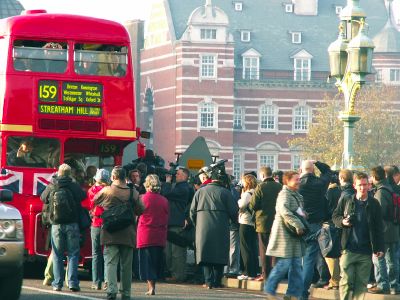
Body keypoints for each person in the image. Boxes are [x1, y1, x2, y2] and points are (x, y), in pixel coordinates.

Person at [332, 172, 385, 300]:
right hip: (348, 248)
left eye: (365, 185)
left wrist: (379, 247)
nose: (363, 188)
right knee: (346, 281)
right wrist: (342, 222)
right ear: (355, 186)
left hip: (366, 250)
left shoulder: (374, 203)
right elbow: (335, 216)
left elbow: (379, 227)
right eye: (360, 185)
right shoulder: (347, 199)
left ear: (369, 185)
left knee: (361, 284)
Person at [94, 166, 144, 300]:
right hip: (128, 232)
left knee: (110, 262)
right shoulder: (133, 192)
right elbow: (141, 210)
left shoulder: (107, 190)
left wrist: (107, 207)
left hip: (110, 231)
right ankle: (126, 293)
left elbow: (94, 201)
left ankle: (111, 290)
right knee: (126, 265)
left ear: (114, 177)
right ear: (124, 177)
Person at [40, 163, 86, 292]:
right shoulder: (73, 185)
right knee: (73, 254)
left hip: (56, 224)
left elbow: (43, 198)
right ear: (69, 173)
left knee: (57, 254)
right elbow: (83, 196)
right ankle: (72, 283)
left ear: (59, 172)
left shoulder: (53, 185)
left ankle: (57, 284)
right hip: (72, 224)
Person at [190, 167, 238, 289]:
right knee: (219, 254)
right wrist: (234, 224)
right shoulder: (226, 193)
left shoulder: (200, 192)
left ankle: (208, 281)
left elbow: (192, 212)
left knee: (205, 254)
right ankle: (217, 281)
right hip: (221, 227)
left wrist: (197, 225)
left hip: (202, 227)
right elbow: (234, 212)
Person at [264, 171, 306, 299]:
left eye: (299, 179)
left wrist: (303, 216)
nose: (299, 181)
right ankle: (270, 290)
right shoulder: (284, 194)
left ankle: (293, 294)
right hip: (285, 234)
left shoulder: (295, 195)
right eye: (296, 179)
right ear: (287, 181)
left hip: (293, 235)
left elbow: (295, 211)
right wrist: (298, 224)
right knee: (284, 264)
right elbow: (284, 211)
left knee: (296, 266)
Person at [298, 160, 332, 300]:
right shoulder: (319, 184)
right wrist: (317, 162)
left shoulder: (297, 185)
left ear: (301, 170)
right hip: (315, 224)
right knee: (308, 259)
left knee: (298, 259)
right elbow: (328, 171)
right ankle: (302, 291)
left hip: (298, 224)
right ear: (313, 170)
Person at [137, 174, 169, 296]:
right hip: (159, 234)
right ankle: (152, 286)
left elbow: (137, 214)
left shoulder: (142, 198)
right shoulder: (164, 200)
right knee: (156, 262)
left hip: (145, 234)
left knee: (147, 262)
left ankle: (150, 287)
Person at [369, 166, 399, 295]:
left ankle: (382, 285)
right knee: (392, 260)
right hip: (394, 229)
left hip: (384, 230)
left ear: (375, 177)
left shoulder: (380, 192)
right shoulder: (391, 188)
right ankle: (395, 285)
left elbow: (380, 213)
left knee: (378, 258)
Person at [249, 166, 282, 281]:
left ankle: (266, 275)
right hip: (277, 223)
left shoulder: (260, 187)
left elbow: (252, 205)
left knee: (264, 251)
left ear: (262, 175)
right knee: (276, 250)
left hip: (262, 223)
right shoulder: (280, 186)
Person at [162, 167, 194, 283]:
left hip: (177, 223)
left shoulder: (183, 188)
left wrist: (167, 182)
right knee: (169, 252)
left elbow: (166, 193)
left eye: (179, 174)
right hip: (172, 222)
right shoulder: (181, 187)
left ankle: (179, 275)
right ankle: (174, 273)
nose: (176, 176)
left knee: (177, 252)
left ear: (185, 176)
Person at [88, 168, 110, 290]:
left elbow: (90, 206)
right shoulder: (110, 191)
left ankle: (96, 282)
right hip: (107, 224)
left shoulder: (91, 190)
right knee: (107, 253)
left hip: (96, 223)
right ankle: (107, 280)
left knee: (96, 254)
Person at [237, 174, 259, 280]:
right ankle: (254, 271)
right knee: (253, 248)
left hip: (245, 222)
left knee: (245, 248)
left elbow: (241, 205)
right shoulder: (256, 192)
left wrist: (239, 199)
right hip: (253, 223)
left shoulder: (247, 193)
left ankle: (247, 272)